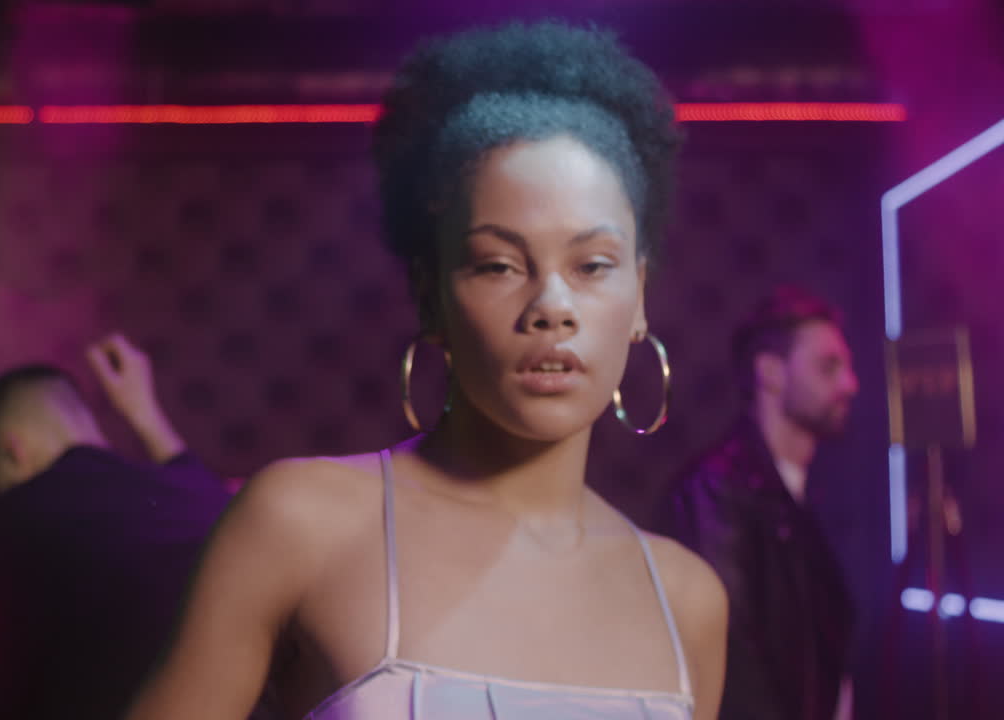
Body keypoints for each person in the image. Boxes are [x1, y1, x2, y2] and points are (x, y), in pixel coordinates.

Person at [125, 21, 727, 720]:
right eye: (498, 265)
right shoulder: (302, 523)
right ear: (430, 294)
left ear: (640, 295)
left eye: (592, 266)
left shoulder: (686, 600)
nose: (551, 308)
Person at [0, 334, 232, 720]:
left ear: (12, 449)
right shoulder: (197, 494)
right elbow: (197, 481)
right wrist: (144, 412)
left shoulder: (3, 523)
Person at [665, 286, 860, 720]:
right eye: (828, 366)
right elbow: (731, 666)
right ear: (771, 372)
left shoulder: (804, 496)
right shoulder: (716, 492)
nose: (850, 384)